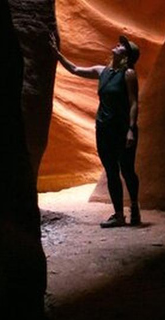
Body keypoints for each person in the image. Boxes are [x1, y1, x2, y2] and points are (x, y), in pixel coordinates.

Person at [50, 32, 141, 227]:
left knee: (127, 170)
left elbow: (134, 103)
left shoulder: (128, 74)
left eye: (122, 46)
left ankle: (134, 207)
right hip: (104, 128)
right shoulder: (102, 71)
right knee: (111, 170)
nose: (117, 45)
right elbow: (75, 69)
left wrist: (131, 129)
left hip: (123, 128)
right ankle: (118, 215)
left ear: (127, 56)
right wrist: (57, 55)